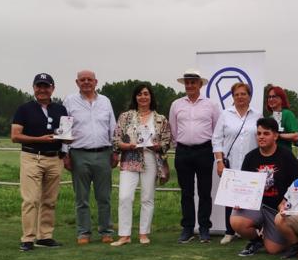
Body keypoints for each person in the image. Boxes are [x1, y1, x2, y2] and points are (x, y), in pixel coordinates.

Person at [11, 73, 67, 251]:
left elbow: (65, 134)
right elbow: (15, 136)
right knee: (31, 199)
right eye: (39, 86)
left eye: (46, 86)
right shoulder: (24, 109)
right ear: (34, 88)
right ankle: (28, 238)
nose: (42, 90)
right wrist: (40, 139)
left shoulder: (60, 109)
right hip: (32, 157)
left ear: (52, 88)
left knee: (50, 200)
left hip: (54, 158)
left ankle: (45, 236)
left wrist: (68, 141)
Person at [110, 83, 171, 246]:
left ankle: (144, 233)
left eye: (146, 94)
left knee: (147, 197)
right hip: (130, 158)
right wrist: (126, 146)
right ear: (135, 97)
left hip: (151, 158)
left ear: (151, 97)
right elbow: (116, 139)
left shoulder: (160, 119)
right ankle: (124, 235)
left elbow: (167, 142)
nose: (143, 97)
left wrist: (157, 146)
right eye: (139, 94)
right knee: (124, 196)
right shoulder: (125, 117)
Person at [231, 117, 298, 257]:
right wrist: (239, 200)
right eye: (259, 133)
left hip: (277, 211)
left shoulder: (286, 156)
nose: (261, 137)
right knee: (236, 220)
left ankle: (289, 235)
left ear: (275, 136)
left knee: (273, 249)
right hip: (256, 206)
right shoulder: (250, 157)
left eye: (266, 133)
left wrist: (287, 200)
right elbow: (243, 184)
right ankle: (256, 240)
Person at [63, 69, 118, 244]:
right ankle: (83, 233)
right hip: (79, 154)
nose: (86, 82)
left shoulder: (105, 101)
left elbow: (113, 127)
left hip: (103, 153)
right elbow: (65, 129)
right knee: (82, 198)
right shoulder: (69, 101)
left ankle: (106, 231)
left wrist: (115, 151)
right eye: (82, 79)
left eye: (89, 79)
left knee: (104, 197)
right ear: (77, 82)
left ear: (96, 82)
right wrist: (65, 153)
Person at [169, 69, 221, 243]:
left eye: (193, 82)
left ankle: (204, 228)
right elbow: (173, 129)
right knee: (186, 192)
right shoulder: (176, 104)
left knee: (205, 192)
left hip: (204, 151)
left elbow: (216, 130)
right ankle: (188, 228)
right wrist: (181, 144)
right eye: (187, 82)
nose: (190, 85)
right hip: (183, 151)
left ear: (200, 84)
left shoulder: (211, 105)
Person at [213, 83, 261, 245]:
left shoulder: (257, 115)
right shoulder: (225, 114)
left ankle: (247, 230)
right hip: (230, 163)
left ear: (249, 96)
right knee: (230, 198)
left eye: (243, 94)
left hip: (251, 164)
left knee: (250, 198)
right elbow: (217, 140)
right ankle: (229, 231)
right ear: (232, 97)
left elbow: (261, 138)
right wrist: (219, 162)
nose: (240, 97)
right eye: (237, 94)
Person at [265, 85, 298, 152]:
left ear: (281, 99)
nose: (271, 99)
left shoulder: (287, 114)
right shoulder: (269, 118)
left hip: (284, 154)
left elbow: (296, 136)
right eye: (269, 97)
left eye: (274, 96)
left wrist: (279, 135)